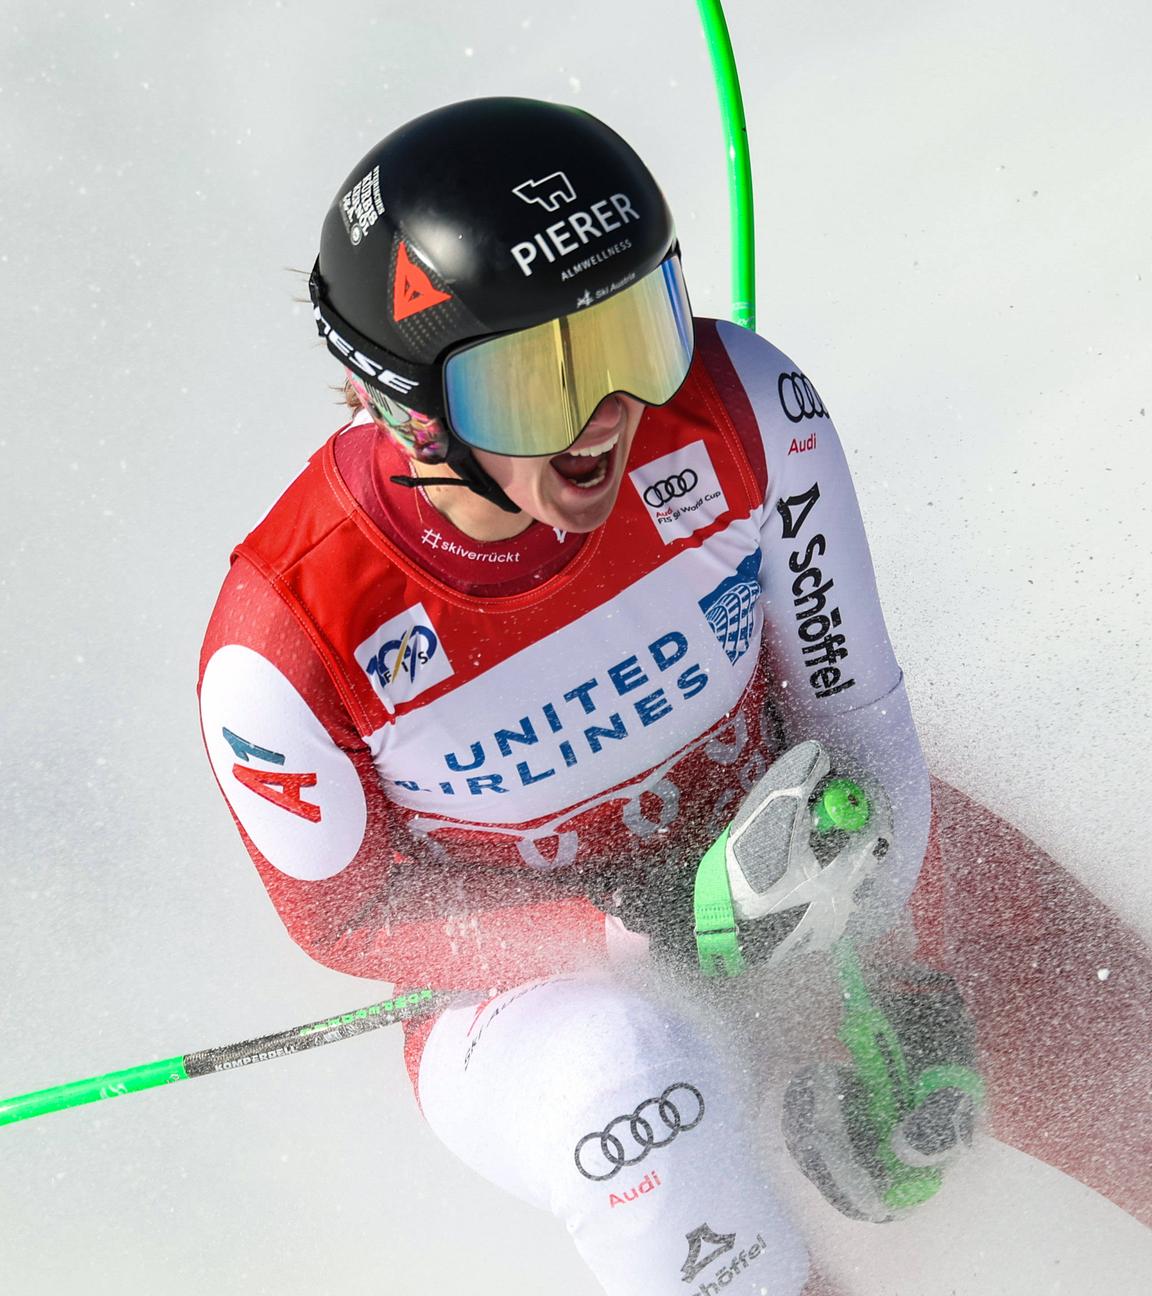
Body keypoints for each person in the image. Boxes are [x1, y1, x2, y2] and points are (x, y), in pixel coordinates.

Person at [196, 97, 981, 1295]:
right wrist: (642, 928)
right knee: (634, 1082)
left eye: (630, 332)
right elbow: (348, 920)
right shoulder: (283, 645)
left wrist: (893, 970)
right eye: (532, 381)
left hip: (788, 850)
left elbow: (857, 715)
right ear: (404, 404)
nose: (610, 412)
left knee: (1039, 957)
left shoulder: (744, 406)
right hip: (532, 993)